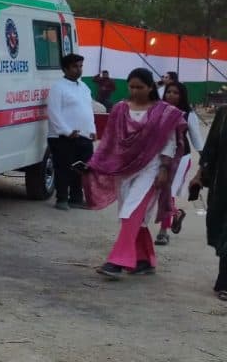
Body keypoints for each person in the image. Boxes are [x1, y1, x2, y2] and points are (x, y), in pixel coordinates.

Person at [81, 68, 187, 279]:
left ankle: (117, 261)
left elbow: (170, 143)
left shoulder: (164, 112)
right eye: (132, 87)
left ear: (150, 87)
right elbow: (110, 141)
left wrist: (164, 170)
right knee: (132, 216)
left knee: (131, 212)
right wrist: (96, 163)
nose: (135, 91)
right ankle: (144, 260)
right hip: (125, 170)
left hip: (152, 169)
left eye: (140, 87)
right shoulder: (120, 109)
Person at [46, 54, 97, 210]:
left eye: (80, 66)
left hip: (83, 137)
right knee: (63, 169)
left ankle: (76, 198)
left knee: (80, 170)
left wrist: (92, 130)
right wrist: (67, 131)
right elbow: (54, 113)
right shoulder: (58, 88)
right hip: (63, 137)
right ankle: (62, 199)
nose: (79, 69)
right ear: (65, 68)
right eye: (75, 66)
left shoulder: (84, 87)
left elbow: (88, 110)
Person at [156, 82, 203, 245]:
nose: (171, 95)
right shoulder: (157, 111)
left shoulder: (188, 114)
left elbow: (197, 140)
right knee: (156, 192)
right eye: (169, 92)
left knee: (167, 193)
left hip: (181, 158)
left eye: (176, 93)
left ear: (182, 96)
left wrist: (204, 164)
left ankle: (163, 231)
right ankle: (175, 214)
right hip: (158, 157)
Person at [190, 105, 227, 300]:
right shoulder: (223, 113)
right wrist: (200, 175)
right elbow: (211, 147)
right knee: (219, 229)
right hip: (222, 186)